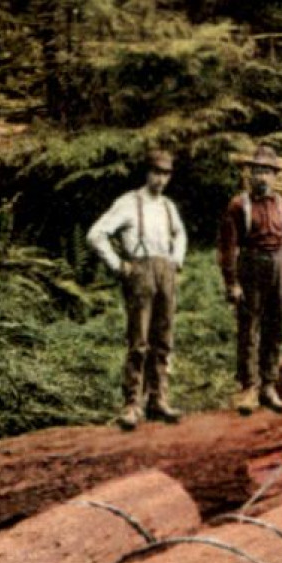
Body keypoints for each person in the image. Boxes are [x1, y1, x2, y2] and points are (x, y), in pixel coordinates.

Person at [86, 149, 187, 431]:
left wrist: (176, 260)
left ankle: (158, 400)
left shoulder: (168, 206)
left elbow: (179, 233)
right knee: (139, 340)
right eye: (156, 172)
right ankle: (132, 403)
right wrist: (118, 265)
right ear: (146, 173)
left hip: (165, 272)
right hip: (140, 273)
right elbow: (96, 235)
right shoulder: (129, 203)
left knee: (164, 338)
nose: (161, 179)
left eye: (166, 174)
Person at [218, 144, 282, 415]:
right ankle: (248, 387)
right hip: (251, 264)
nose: (262, 177)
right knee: (249, 327)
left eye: (267, 172)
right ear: (249, 174)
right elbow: (228, 247)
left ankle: (268, 385)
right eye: (257, 171)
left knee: (274, 327)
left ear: (275, 176)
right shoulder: (238, 205)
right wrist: (232, 282)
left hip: (280, 263)